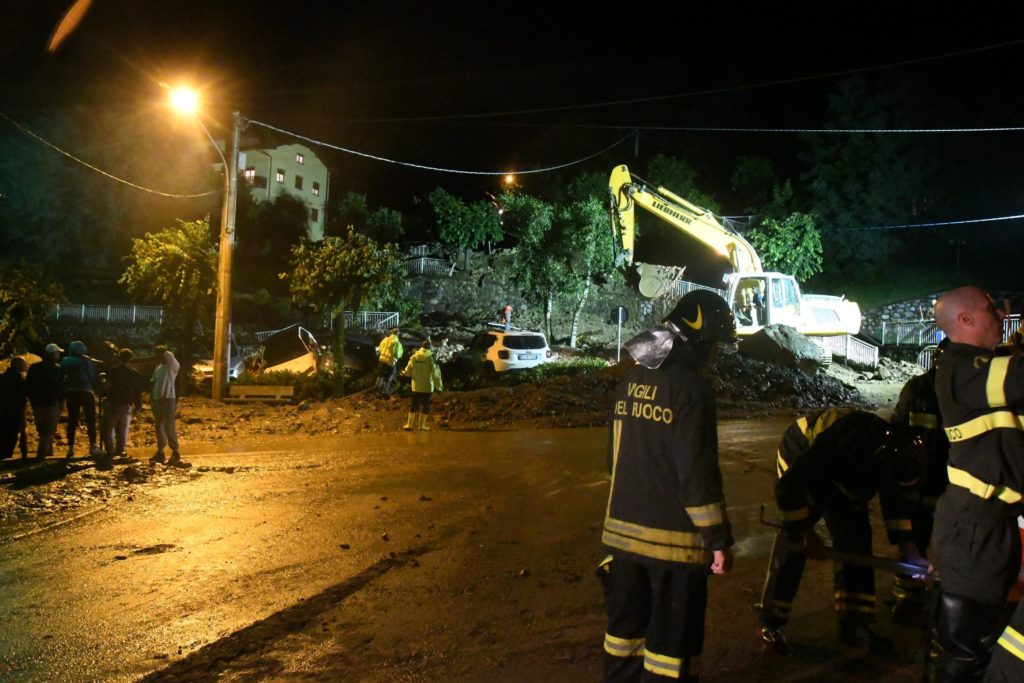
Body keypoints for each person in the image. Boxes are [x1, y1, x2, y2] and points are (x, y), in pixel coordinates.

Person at [598, 290, 735, 683]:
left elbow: (614, 461)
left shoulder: (631, 380)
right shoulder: (691, 390)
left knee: (623, 639)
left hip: (622, 538)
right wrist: (717, 539)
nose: (715, 354)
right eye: (714, 344)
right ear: (697, 340)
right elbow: (697, 473)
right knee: (667, 652)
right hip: (674, 547)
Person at [758, 408, 926, 654]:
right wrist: (806, 532)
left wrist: (910, 549)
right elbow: (789, 489)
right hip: (802, 454)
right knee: (794, 543)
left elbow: (895, 504)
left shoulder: (891, 455)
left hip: (843, 470)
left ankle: (854, 625)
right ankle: (770, 623)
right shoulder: (839, 447)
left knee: (856, 537)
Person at [927, 286, 1023, 682]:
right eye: (991, 310)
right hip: (972, 527)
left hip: (995, 523)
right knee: (963, 650)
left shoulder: (987, 364)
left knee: (987, 637)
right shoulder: (960, 368)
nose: (1002, 315)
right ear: (964, 320)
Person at [888, 338, 951, 623]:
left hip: (950, 482)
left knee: (952, 545)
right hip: (919, 481)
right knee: (913, 539)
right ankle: (907, 598)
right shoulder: (917, 390)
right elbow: (898, 431)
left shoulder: (964, 392)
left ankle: (947, 601)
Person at [59, 340, 101, 458]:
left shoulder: (65, 360)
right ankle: (93, 446)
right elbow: (91, 376)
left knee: (72, 420)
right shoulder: (86, 361)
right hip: (86, 391)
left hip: (71, 392)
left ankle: (71, 448)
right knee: (90, 419)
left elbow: (60, 377)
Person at [102, 348, 143, 458]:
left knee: (108, 429)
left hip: (113, 403)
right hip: (127, 404)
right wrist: (138, 405)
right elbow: (137, 391)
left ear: (119, 357)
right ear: (130, 359)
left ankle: (110, 451)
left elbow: (107, 387)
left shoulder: (112, 371)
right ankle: (120, 451)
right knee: (122, 430)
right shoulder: (134, 373)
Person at [26, 343, 63, 459]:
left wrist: (32, 399)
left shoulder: (34, 367)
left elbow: (28, 386)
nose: (58, 355)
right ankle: (41, 455)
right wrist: (62, 400)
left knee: (42, 430)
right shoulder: (57, 369)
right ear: (53, 354)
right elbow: (61, 386)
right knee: (48, 430)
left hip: (37, 403)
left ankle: (48, 453)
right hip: (51, 402)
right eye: (57, 353)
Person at [149, 346, 184, 466]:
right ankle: (160, 451)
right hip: (157, 400)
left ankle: (175, 451)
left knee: (169, 426)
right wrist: (152, 398)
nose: (156, 357)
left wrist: (164, 352)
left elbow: (170, 356)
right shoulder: (158, 368)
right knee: (159, 427)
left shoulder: (171, 367)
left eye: (158, 355)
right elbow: (153, 383)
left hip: (168, 399)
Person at [401, 339, 443, 431]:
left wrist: (405, 373)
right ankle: (422, 426)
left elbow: (408, 371)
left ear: (421, 346)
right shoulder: (431, 357)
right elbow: (436, 374)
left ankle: (409, 425)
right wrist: (439, 387)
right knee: (425, 405)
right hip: (427, 387)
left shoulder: (414, 357)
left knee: (414, 404)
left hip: (416, 386)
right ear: (429, 347)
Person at [0, 357, 29, 459]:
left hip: (2, 411)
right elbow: (23, 395)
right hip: (16, 411)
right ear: (19, 366)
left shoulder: (2, 377)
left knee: (3, 434)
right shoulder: (20, 379)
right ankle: (8, 457)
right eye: (24, 365)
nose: (26, 367)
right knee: (13, 436)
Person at [375, 328, 403, 398]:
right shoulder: (397, 343)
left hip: (381, 360)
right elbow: (398, 354)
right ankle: (385, 393)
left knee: (380, 375)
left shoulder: (385, 339)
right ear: (398, 334)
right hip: (390, 363)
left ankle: (376, 390)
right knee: (389, 377)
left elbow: (379, 349)